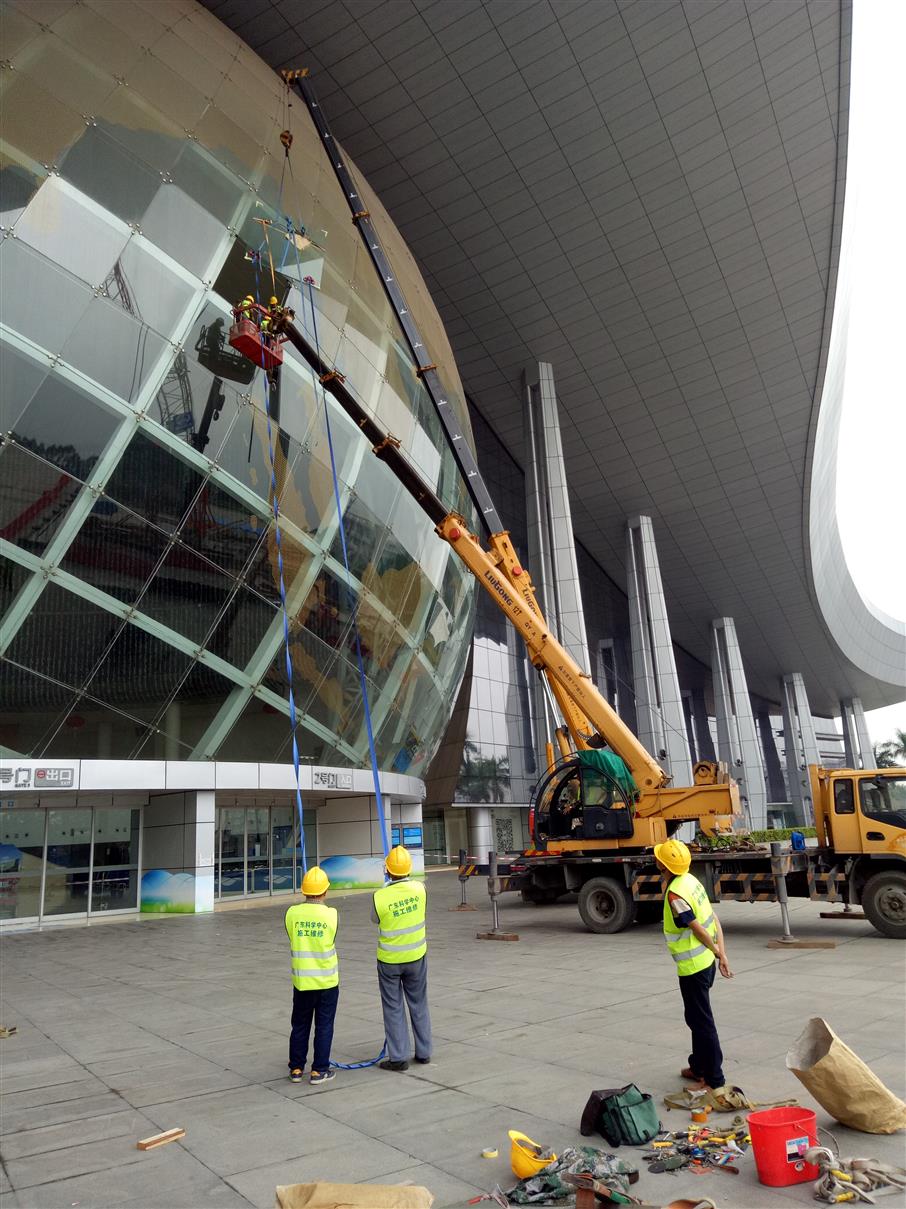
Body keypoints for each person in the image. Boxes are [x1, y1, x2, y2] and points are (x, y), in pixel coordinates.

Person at [653, 838, 732, 1091]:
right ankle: (698, 1067)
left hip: (694, 968)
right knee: (695, 1018)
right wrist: (721, 953)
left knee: (702, 1022)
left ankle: (713, 1079)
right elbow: (714, 918)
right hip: (706, 963)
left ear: (661, 865)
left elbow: (698, 928)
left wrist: (718, 952)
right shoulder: (691, 881)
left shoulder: (676, 893)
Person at [372, 845, 431, 1072]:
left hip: (389, 961)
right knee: (419, 1003)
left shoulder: (380, 896)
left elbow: (374, 919)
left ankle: (398, 1057)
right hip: (417, 957)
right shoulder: (420, 889)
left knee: (393, 1006)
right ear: (409, 868)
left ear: (387, 871)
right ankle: (424, 1051)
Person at [284, 865, 339, 1085]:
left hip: (302, 982)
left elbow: (290, 935)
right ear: (325, 891)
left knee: (299, 1024)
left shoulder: (292, 913)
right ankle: (319, 1070)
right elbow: (333, 937)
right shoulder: (331, 914)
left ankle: (296, 1068)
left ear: (304, 890)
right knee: (324, 1025)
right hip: (327, 982)